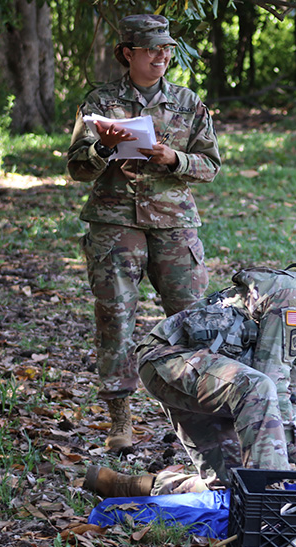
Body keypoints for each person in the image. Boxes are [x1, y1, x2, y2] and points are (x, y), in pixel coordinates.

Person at [84, 217, 296, 497]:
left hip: (218, 377)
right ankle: (276, 515)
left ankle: (132, 486)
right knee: (267, 455)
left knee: (235, 483)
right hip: (170, 360)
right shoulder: (293, 297)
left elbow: (292, 393)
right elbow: (271, 383)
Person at [67, 15, 221, 451]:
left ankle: (199, 415)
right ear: (127, 53)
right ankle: (122, 422)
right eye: (152, 48)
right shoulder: (99, 102)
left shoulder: (189, 103)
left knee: (193, 319)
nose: (162, 56)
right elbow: (77, 168)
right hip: (115, 225)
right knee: (115, 318)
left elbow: (211, 166)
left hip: (174, 224)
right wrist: (103, 148)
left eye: (167, 48)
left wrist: (174, 158)